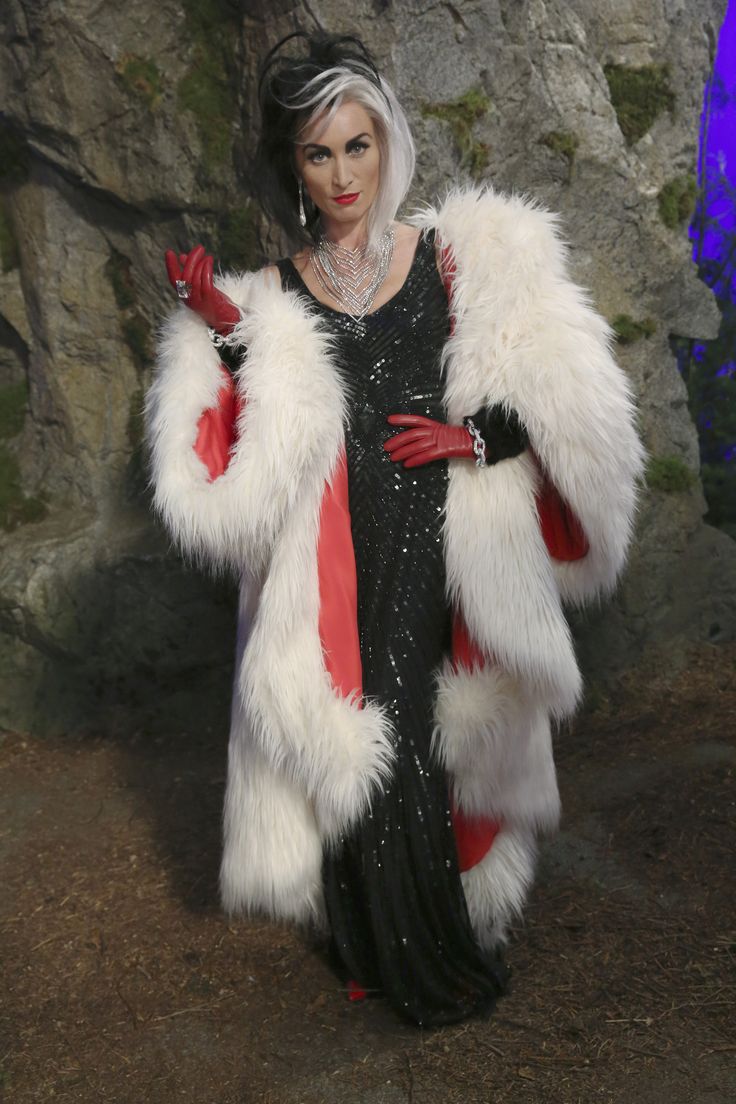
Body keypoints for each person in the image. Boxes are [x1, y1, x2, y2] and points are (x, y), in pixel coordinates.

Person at [145, 32, 645, 1027]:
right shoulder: (278, 291)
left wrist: (469, 438)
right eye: (319, 153)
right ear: (296, 166)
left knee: (422, 729)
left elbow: (545, 399)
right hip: (338, 552)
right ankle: (374, 932)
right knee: (356, 734)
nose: (341, 173)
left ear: (388, 144)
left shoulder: (454, 259)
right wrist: (220, 322)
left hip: (441, 537)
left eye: (356, 146)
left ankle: (432, 941)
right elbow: (265, 421)